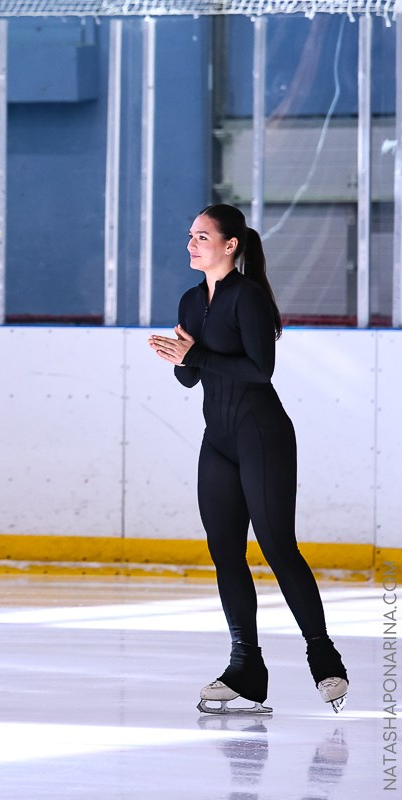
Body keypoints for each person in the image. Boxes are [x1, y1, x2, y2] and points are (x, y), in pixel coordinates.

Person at [149, 203, 348, 714]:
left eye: (201, 237)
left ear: (230, 244)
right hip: (217, 439)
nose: (191, 245)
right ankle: (246, 669)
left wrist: (194, 355)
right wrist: (180, 356)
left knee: (278, 547)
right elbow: (192, 376)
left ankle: (324, 658)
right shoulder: (193, 300)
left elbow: (262, 370)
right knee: (226, 554)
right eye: (190, 236)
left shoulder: (248, 298)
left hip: (262, 435)